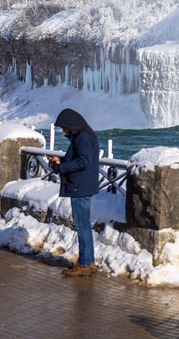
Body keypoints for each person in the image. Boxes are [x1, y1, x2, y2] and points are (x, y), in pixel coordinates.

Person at [49, 108, 100, 277]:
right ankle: (89, 262)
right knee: (83, 225)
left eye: (64, 127)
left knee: (81, 225)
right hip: (82, 185)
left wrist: (61, 167)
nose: (63, 131)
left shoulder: (83, 137)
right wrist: (61, 161)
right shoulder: (85, 134)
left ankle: (84, 264)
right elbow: (79, 158)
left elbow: (84, 161)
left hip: (80, 186)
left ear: (71, 125)